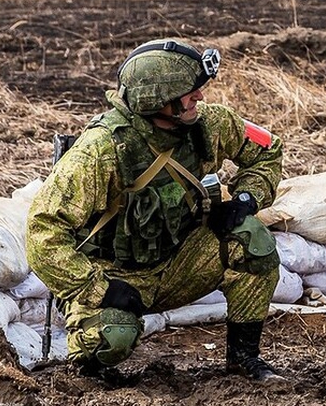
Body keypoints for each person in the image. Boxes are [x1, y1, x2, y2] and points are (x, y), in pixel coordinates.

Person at [26, 39, 285, 381]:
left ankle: (243, 358)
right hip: (114, 278)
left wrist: (246, 200)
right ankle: (91, 373)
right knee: (112, 339)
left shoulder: (211, 125)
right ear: (158, 99)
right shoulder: (101, 151)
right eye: (190, 92)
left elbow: (268, 150)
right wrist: (98, 288)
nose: (200, 97)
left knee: (253, 242)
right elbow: (42, 232)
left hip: (178, 264)